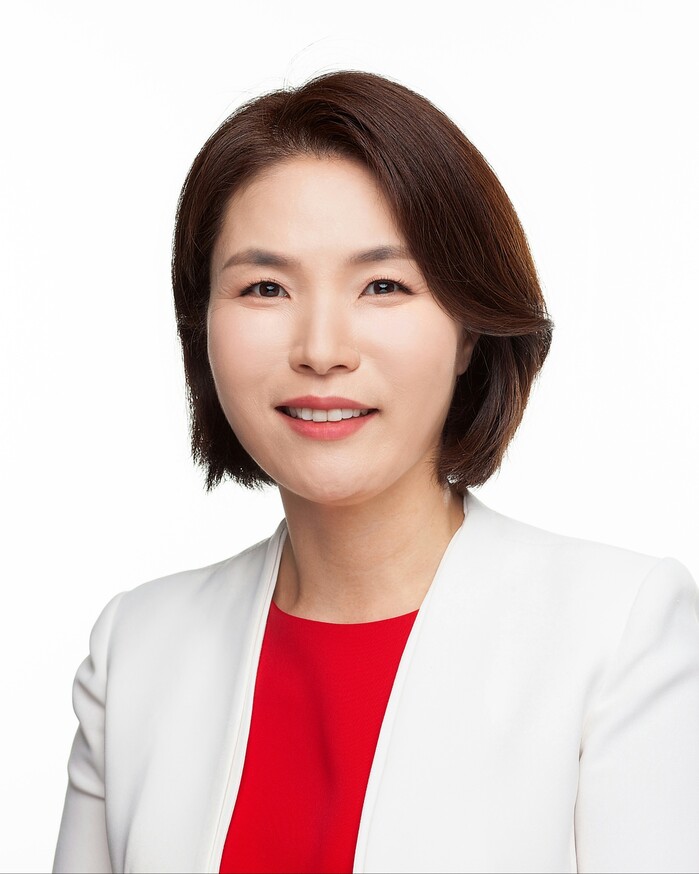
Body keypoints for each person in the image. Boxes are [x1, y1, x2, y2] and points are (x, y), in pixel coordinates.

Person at [52, 70, 699, 874]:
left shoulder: (617, 633)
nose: (321, 349)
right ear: (201, 325)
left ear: (468, 329)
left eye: (383, 286)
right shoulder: (137, 650)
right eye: (265, 287)